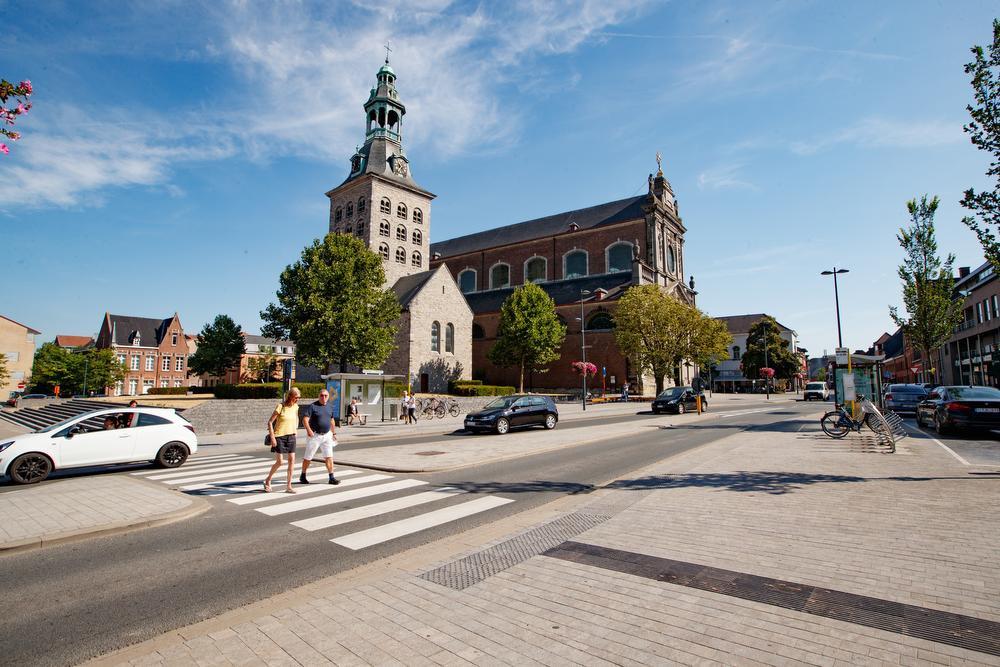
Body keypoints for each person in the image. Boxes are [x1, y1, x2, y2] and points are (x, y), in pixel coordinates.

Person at [264, 387, 300, 493]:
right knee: (280, 462)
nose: (297, 399)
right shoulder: (281, 406)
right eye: (296, 397)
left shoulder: (296, 407)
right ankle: (268, 480)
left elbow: (296, 418)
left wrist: (295, 430)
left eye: (298, 397)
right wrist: (272, 437)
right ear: (290, 396)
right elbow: (270, 422)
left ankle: (289, 486)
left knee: (292, 460)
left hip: (291, 436)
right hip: (279, 436)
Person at [299, 388, 339, 485]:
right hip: (315, 435)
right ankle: (303, 475)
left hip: (327, 435)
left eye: (325, 396)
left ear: (328, 397)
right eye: (321, 395)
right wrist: (308, 430)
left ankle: (331, 477)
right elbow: (305, 420)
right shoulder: (313, 406)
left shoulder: (330, 406)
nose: (323, 397)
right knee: (308, 457)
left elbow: (332, 420)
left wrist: (333, 433)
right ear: (318, 396)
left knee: (329, 456)